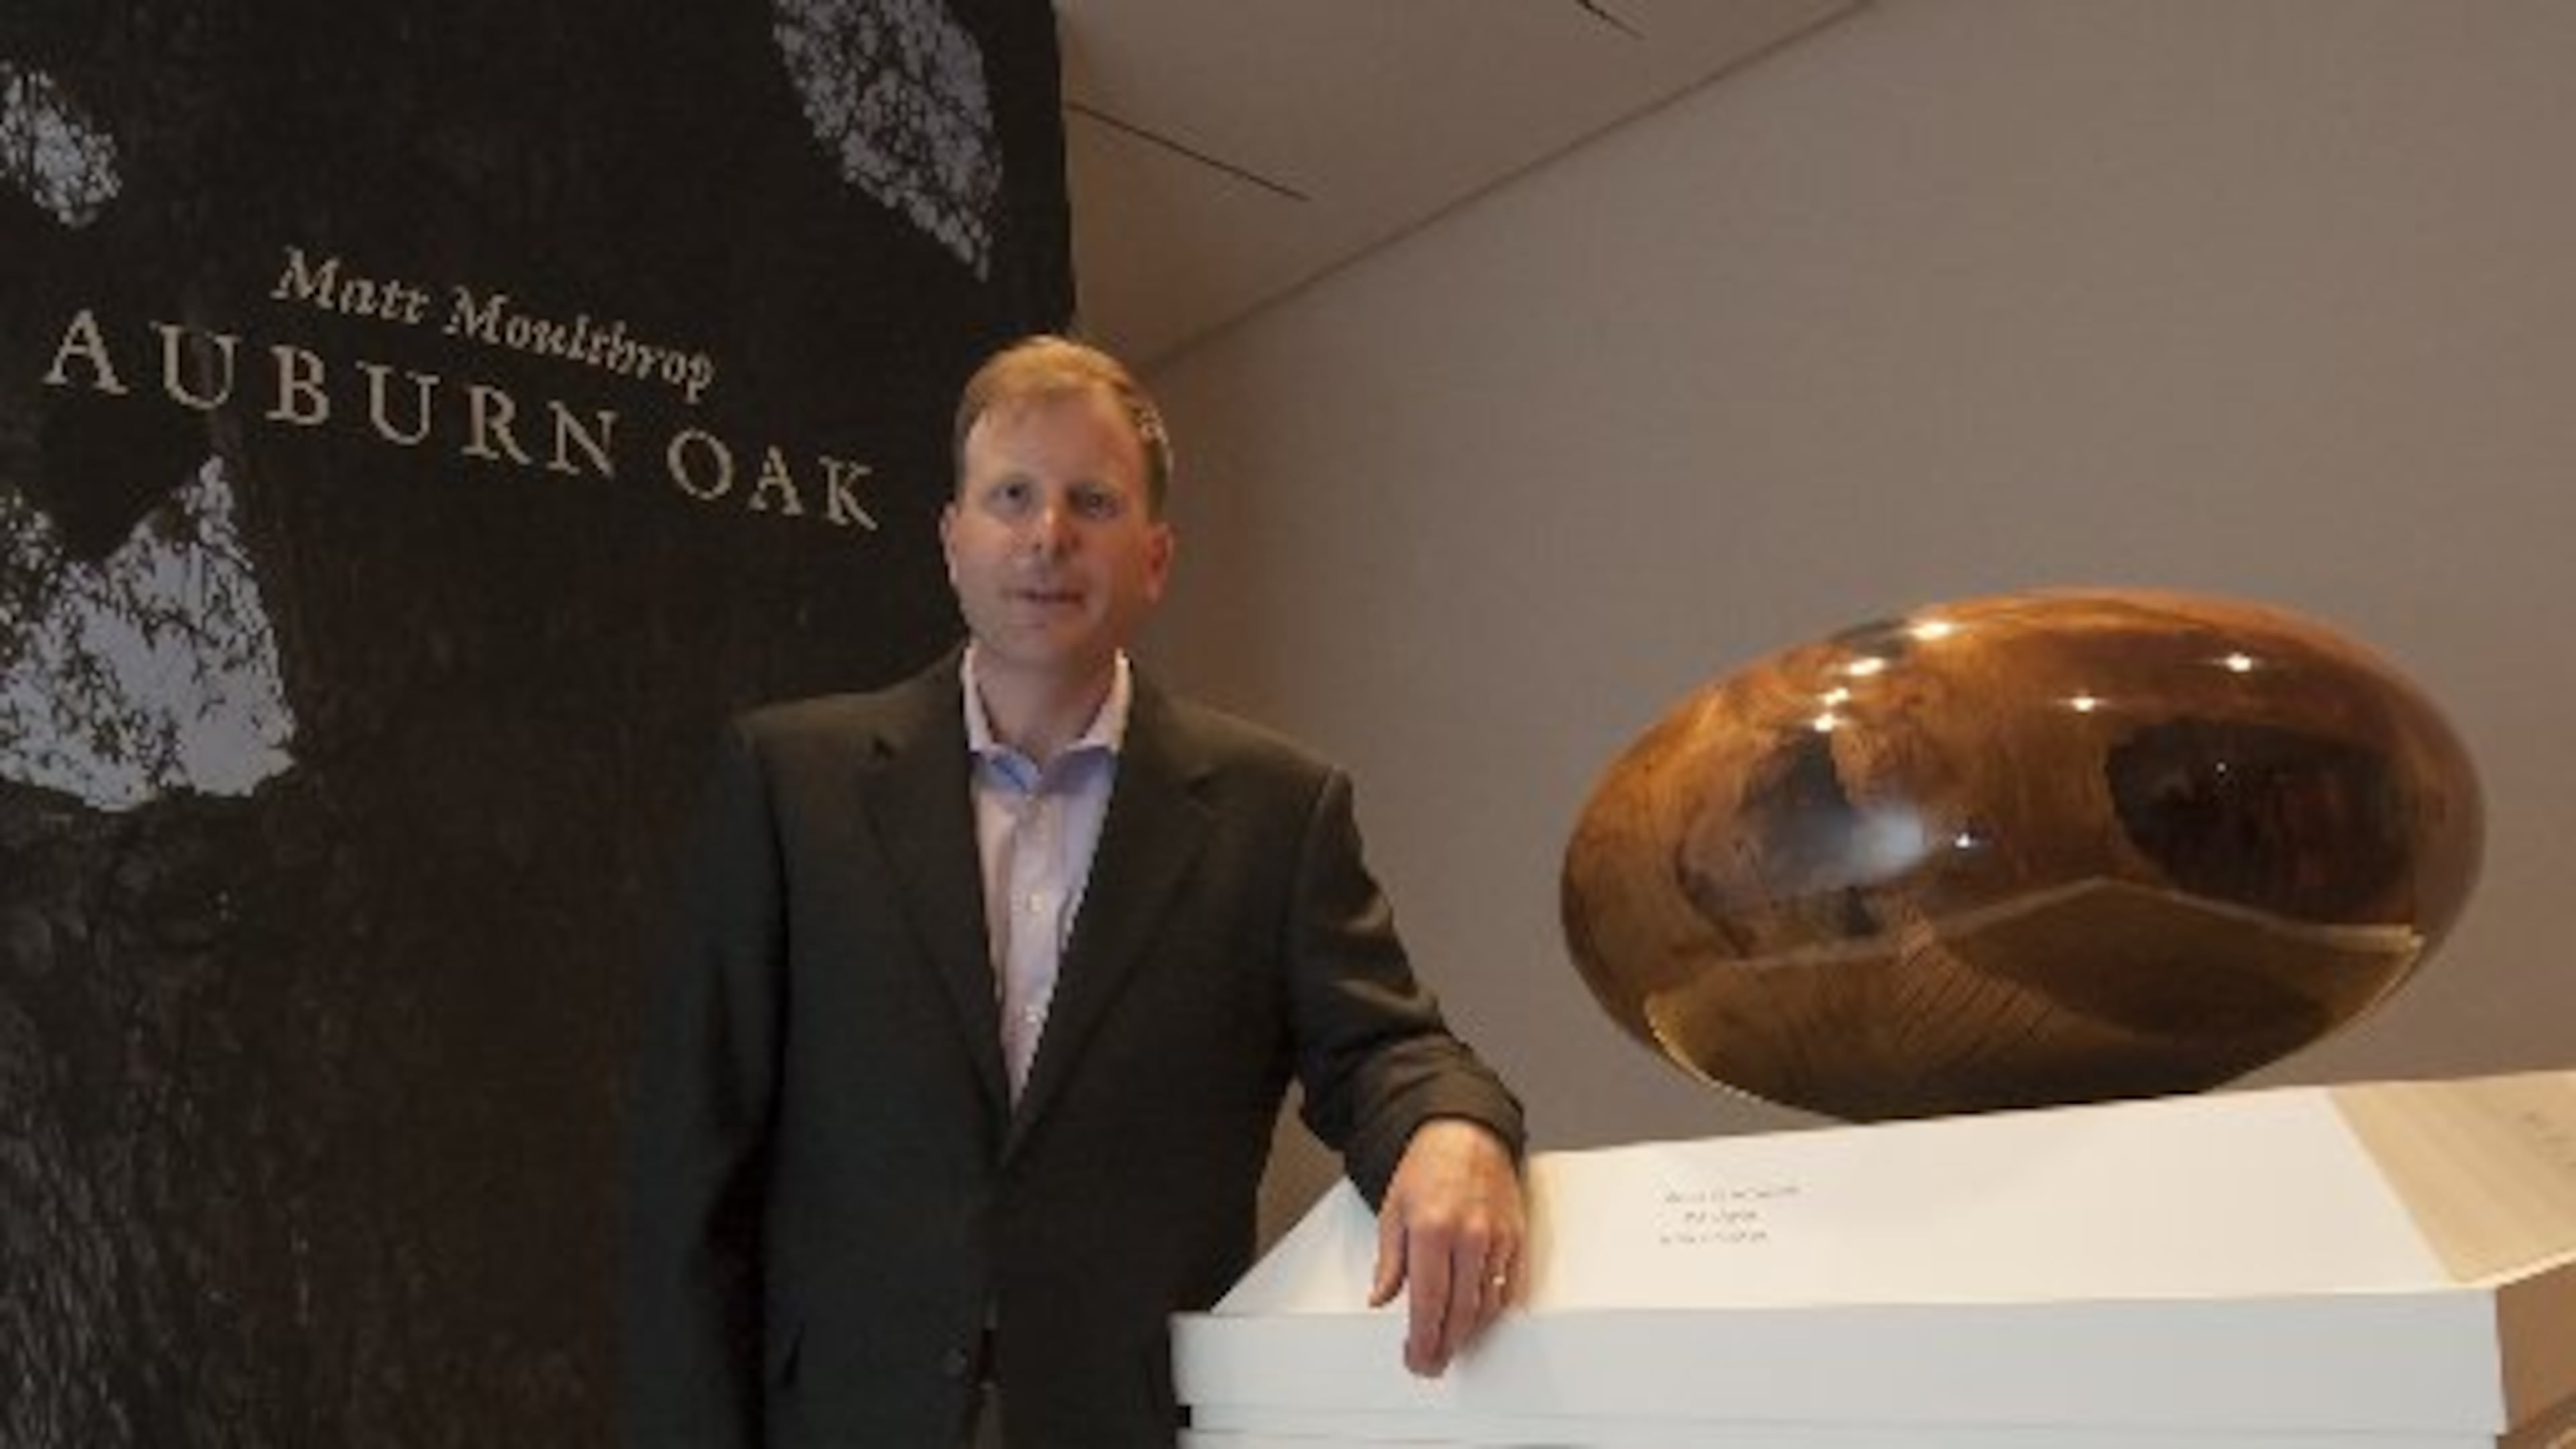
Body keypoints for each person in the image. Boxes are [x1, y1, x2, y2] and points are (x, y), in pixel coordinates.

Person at [622, 335, 1528, 1447]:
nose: (1048, 534)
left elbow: (1387, 1050)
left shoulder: (1276, 813)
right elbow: (691, 1174)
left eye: (1092, 501)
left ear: (1154, 555)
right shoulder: (788, 785)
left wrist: (1453, 1131)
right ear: (953, 542)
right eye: (1012, 496)